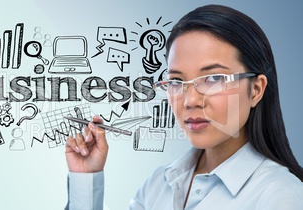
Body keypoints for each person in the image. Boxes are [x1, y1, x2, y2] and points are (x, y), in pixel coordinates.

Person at [64, 4, 303, 210]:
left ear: (256, 89)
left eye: (214, 79)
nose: (190, 100)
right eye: (177, 81)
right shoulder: (159, 184)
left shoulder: (281, 197)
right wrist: (86, 178)